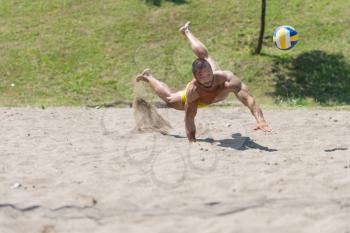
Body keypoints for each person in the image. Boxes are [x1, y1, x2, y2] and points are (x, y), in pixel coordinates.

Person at [136, 21, 271, 142]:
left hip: (217, 88)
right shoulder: (193, 90)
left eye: (208, 74)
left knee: (205, 56)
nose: (206, 78)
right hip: (201, 99)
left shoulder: (226, 78)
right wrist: (192, 140)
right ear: (195, 77)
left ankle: (186, 31)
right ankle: (148, 77)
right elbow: (189, 118)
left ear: (212, 71)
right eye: (202, 76)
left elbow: (249, 99)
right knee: (170, 100)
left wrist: (261, 120)